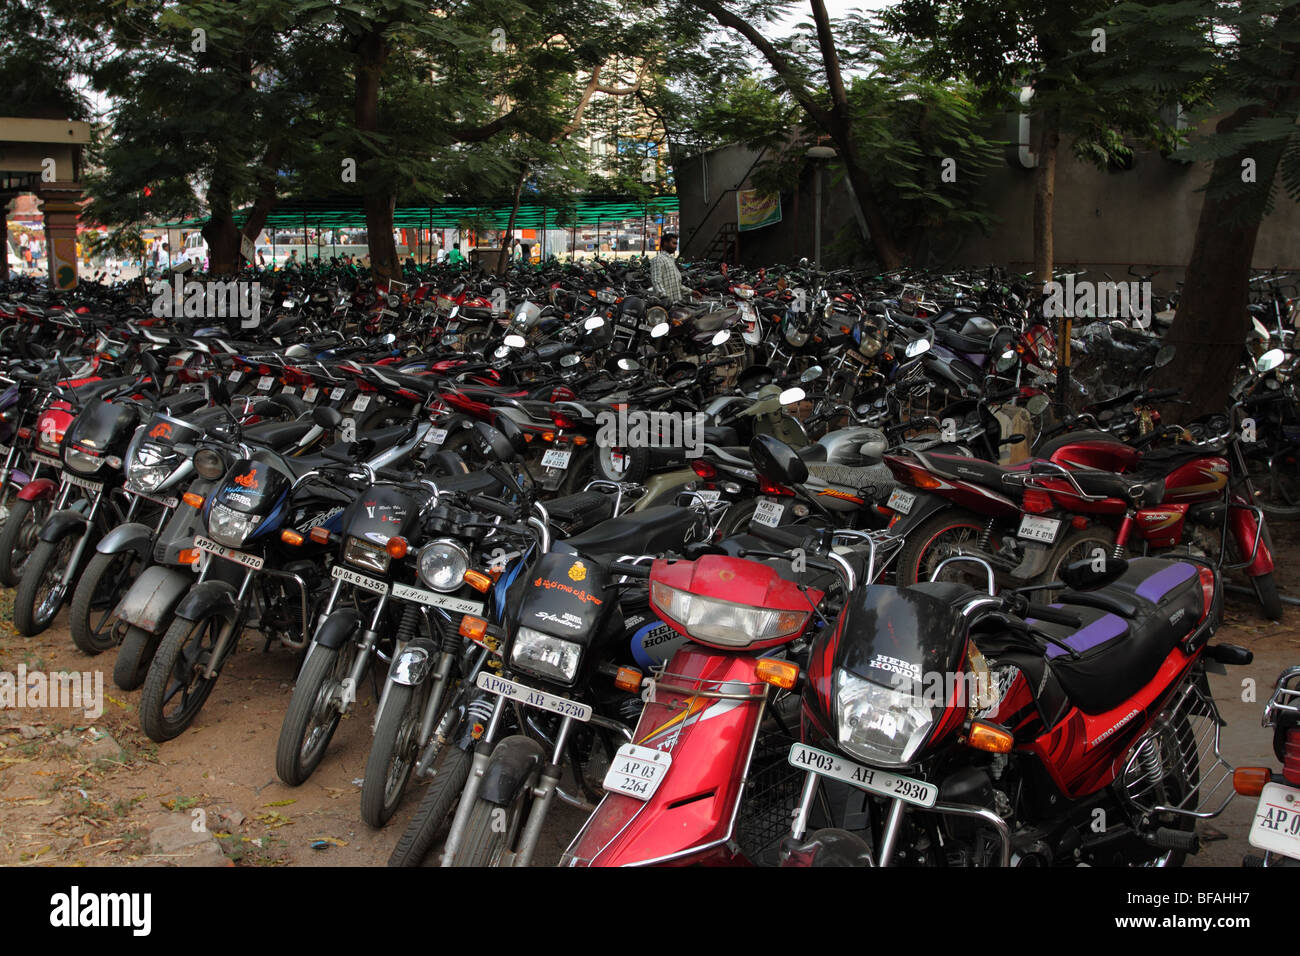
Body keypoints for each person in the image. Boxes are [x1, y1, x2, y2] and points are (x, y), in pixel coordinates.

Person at [650, 232, 685, 304]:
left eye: (676, 244)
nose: (676, 246)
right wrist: (665, 298)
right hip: (666, 305)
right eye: (674, 243)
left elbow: (677, 285)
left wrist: (691, 291)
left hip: (676, 304)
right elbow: (656, 281)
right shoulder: (658, 259)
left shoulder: (671, 260)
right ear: (665, 243)